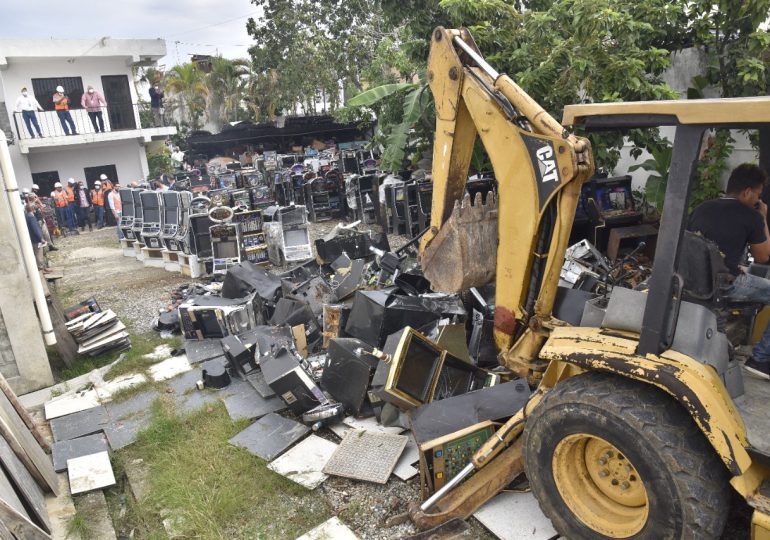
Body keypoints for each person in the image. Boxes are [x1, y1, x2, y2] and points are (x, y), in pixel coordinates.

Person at [689, 163, 770, 378]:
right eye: (758, 195)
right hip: (725, 283)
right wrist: (762, 217)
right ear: (747, 192)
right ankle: (760, 359)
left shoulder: (702, 208)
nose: (758, 200)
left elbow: (706, 245)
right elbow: (763, 256)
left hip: (694, 279)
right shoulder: (751, 216)